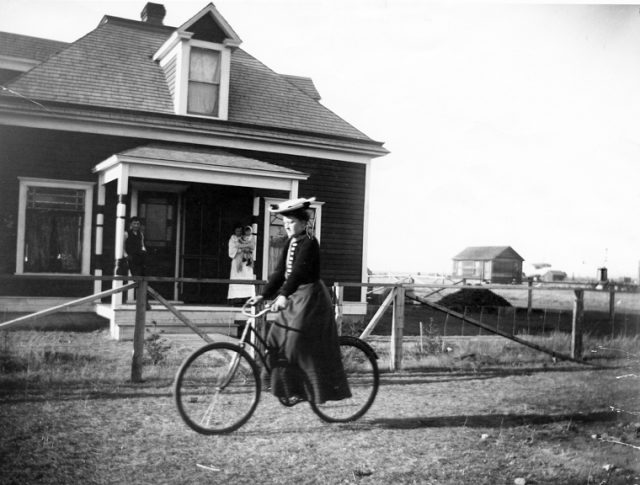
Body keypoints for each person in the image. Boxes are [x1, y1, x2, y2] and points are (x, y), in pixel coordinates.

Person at [246, 197, 351, 404]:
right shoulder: (289, 242)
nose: (287, 227)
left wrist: (283, 295)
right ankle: (284, 386)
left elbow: (299, 273)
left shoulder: (310, 242)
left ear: (304, 223)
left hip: (311, 297)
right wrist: (264, 294)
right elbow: (280, 272)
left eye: (291, 222)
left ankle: (307, 389)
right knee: (275, 337)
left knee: (295, 342)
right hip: (294, 296)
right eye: (285, 223)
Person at [227, 223, 256, 305]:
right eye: (237, 231)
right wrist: (241, 250)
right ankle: (236, 298)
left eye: (240, 230)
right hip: (237, 261)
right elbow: (231, 251)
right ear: (234, 231)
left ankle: (247, 297)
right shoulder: (232, 239)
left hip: (246, 260)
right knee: (237, 278)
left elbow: (252, 246)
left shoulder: (245, 237)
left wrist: (247, 249)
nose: (238, 232)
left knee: (247, 277)